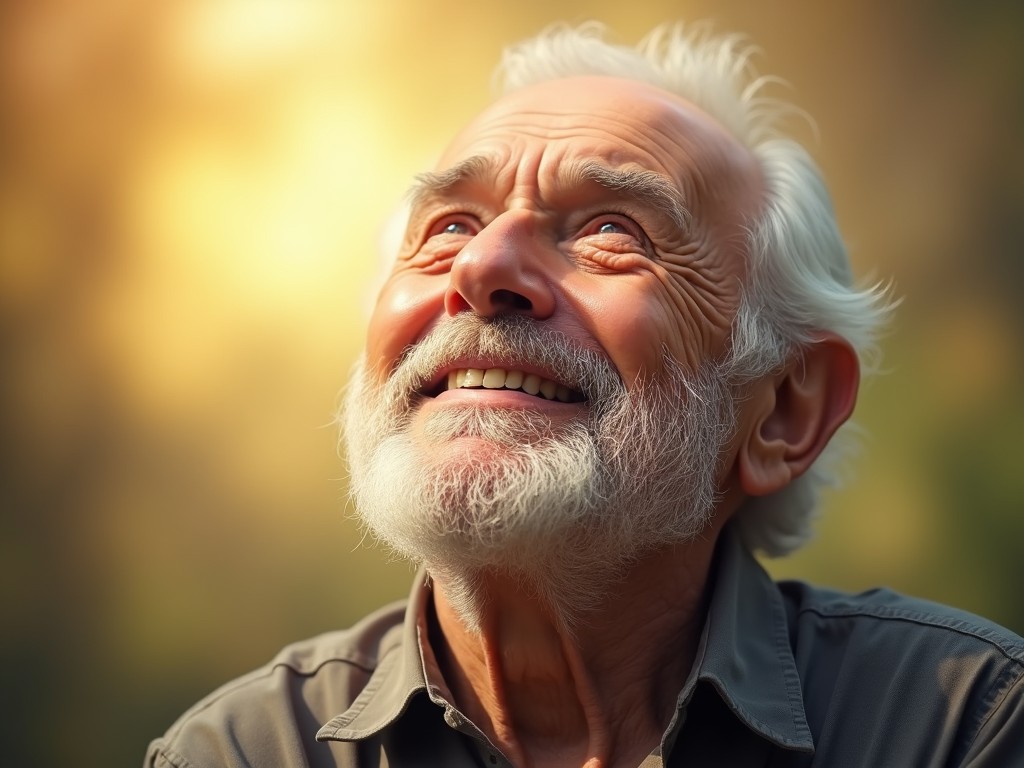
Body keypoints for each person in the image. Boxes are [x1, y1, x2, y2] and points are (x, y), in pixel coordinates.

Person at [145, 22, 1024, 768]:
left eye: (611, 230)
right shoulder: (243, 750)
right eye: (450, 226)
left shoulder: (957, 726)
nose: (482, 267)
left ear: (786, 411)